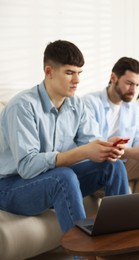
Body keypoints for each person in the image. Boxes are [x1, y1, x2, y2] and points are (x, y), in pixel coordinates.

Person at [0, 40, 129, 234]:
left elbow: (91, 142)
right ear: (49, 72)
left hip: (51, 180)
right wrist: (83, 151)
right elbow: (27, 167)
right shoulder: (23, 106)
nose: (77, 80)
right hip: (11, 187)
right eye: (69, 73)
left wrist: (106, 147)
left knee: (113, 166)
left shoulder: (76, 105)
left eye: (79, 73)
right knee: (63, 177)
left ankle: (122, 241)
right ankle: (85, 255)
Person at [83, 57, 139, 193]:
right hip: (98, 166)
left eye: (137, 85)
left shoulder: (133, 106)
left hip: (123, 162)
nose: (133, 90)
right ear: (113, 77)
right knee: (116, 166)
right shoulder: (90, 103)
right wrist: (131, 152)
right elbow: (93, 145)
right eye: (129, 83)